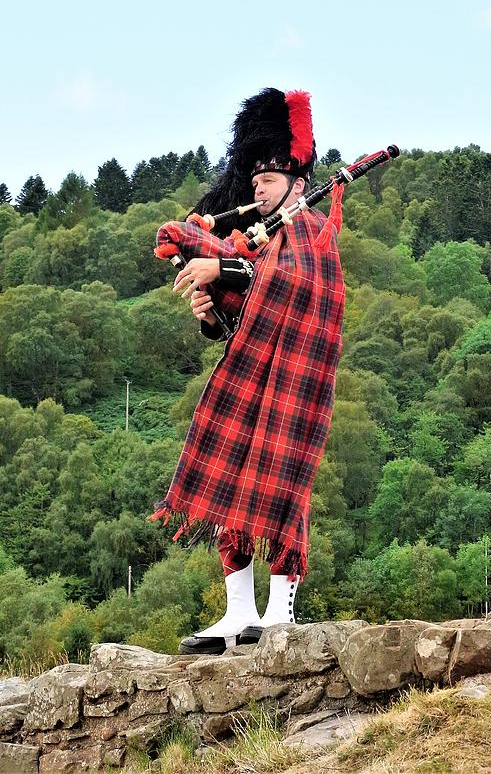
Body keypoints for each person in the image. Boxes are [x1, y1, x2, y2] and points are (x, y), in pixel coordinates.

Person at [150, 88, 345, 654]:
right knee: (232, 481)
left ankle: (280, 612)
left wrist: (225, 269)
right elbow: (242, 316)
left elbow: (296, 288)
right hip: (252, 373)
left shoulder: (309, 230)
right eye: (253, 178)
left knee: (285, 488)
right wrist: (211, 310)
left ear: (297, 182)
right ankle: (238, 612)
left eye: (269, 177)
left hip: (296, 380)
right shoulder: (255, 241)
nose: (256, 186)